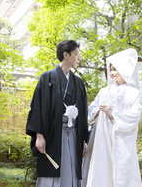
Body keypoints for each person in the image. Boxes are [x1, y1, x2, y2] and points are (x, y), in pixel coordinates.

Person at [26, 40, 88, 187]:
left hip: (74, 134)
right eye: (76, 54)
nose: (79, 58)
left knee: (72, 168)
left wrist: (83, 140)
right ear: (66, 55)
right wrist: (39, 136)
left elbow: (83, 112)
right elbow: (37, 108)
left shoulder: (78, 83)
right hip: (52, 134)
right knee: (52, 170)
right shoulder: (46, 78)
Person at [82, 48, 142, 187]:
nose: (112, 73)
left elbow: (135, 115)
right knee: (102, 170)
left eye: (116, 69)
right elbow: (90, 110)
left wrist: (112, 114)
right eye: (111, 69)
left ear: (125, 70)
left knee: (122, 171)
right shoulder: (104, 91)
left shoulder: (133, 93)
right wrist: (98, 111)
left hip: (122, 140)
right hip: (102, 139)